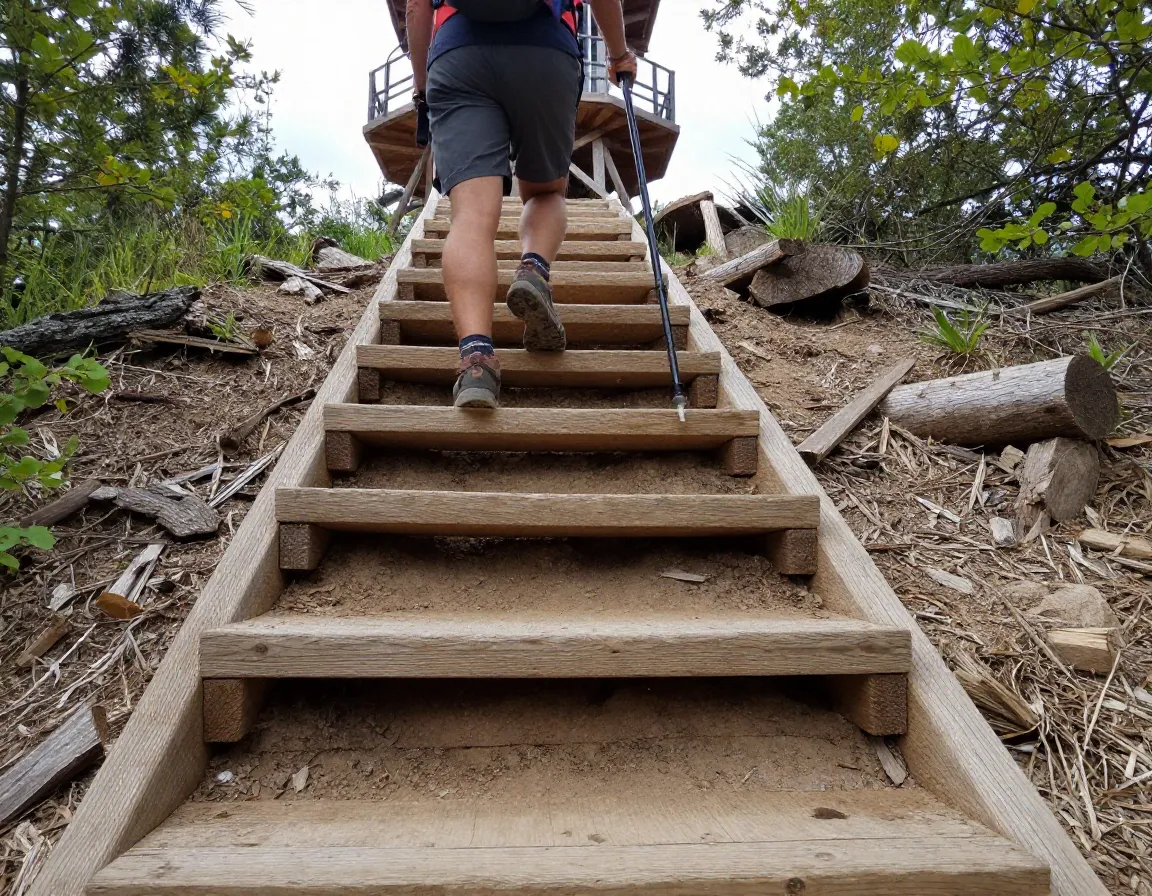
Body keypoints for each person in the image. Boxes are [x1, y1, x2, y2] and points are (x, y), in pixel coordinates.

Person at [405, 0, 638, 408]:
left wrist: (423, 86)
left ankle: (477, 361)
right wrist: (618, 55)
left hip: (458, 55)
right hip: (545, 53)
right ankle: (533, 269)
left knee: (472, 217)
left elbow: (415, 7)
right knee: (546, 191)